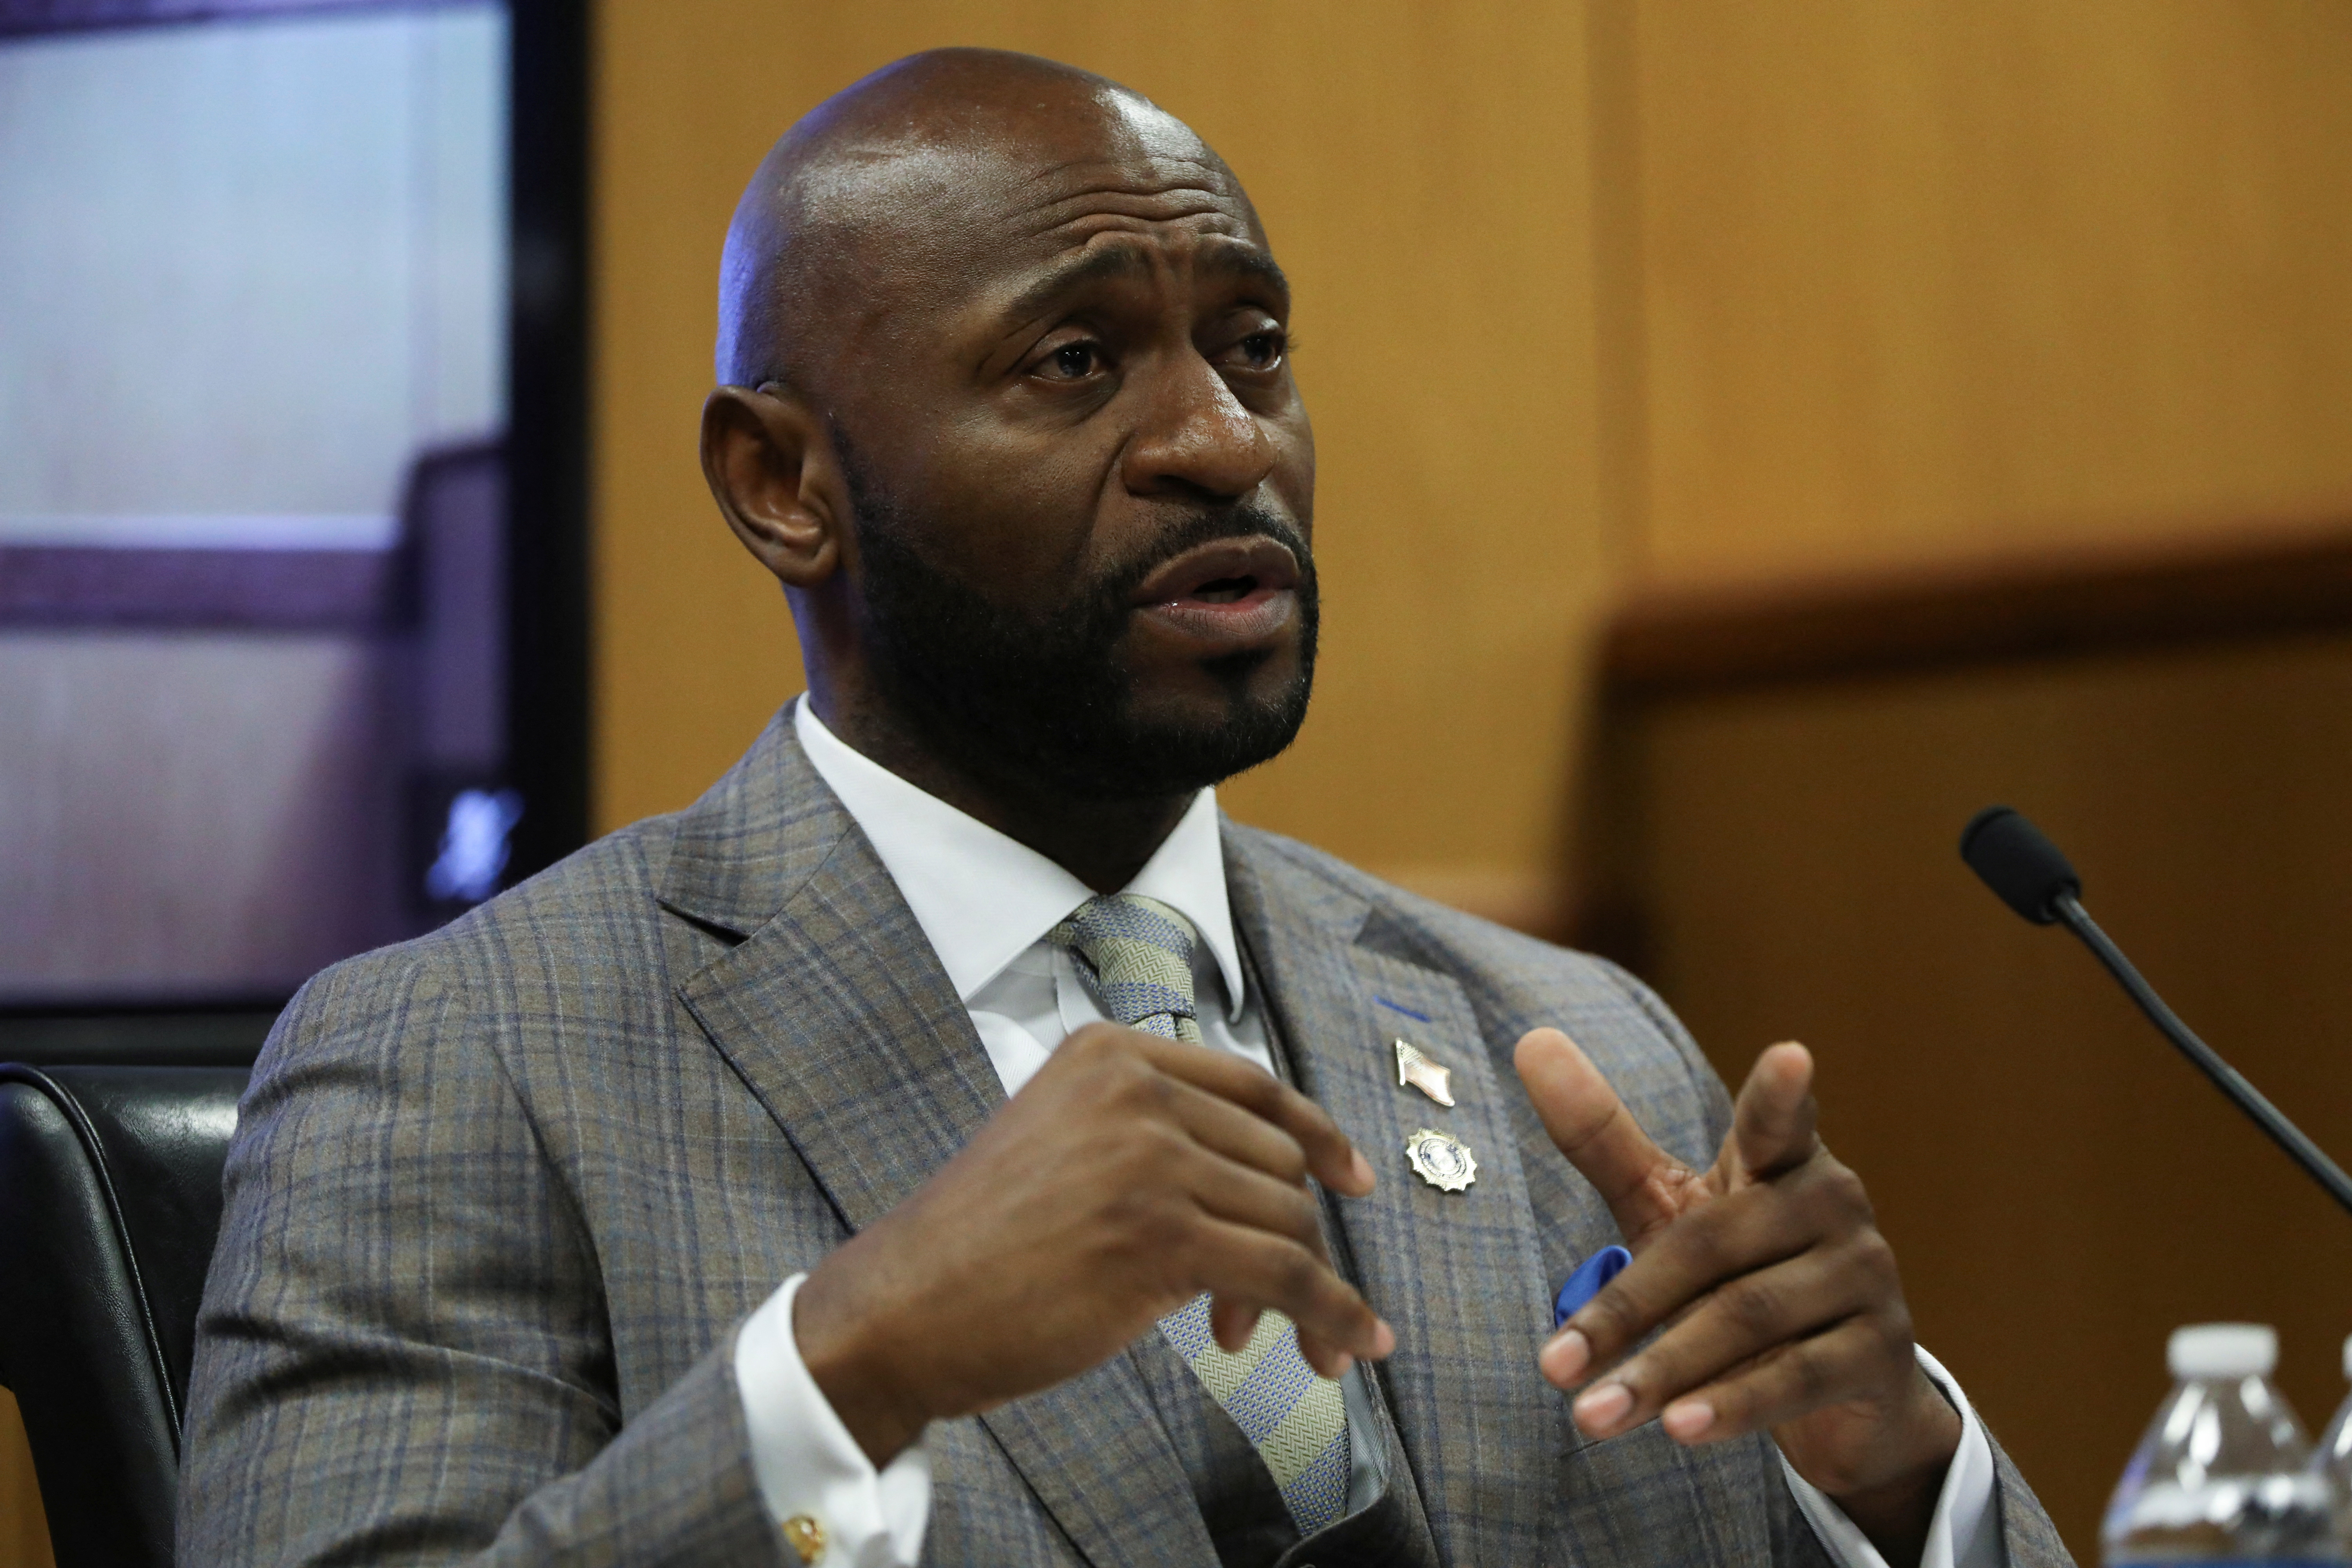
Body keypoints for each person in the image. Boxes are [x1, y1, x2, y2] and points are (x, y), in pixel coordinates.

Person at [178, 47, 2072, 1568]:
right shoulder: (464, 1060)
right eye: (1077, 363)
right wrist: (855, 1364)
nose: (1223, 441)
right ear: (782, 484)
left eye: (1252, 347)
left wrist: (1896, 1475)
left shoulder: (1561, 1052)